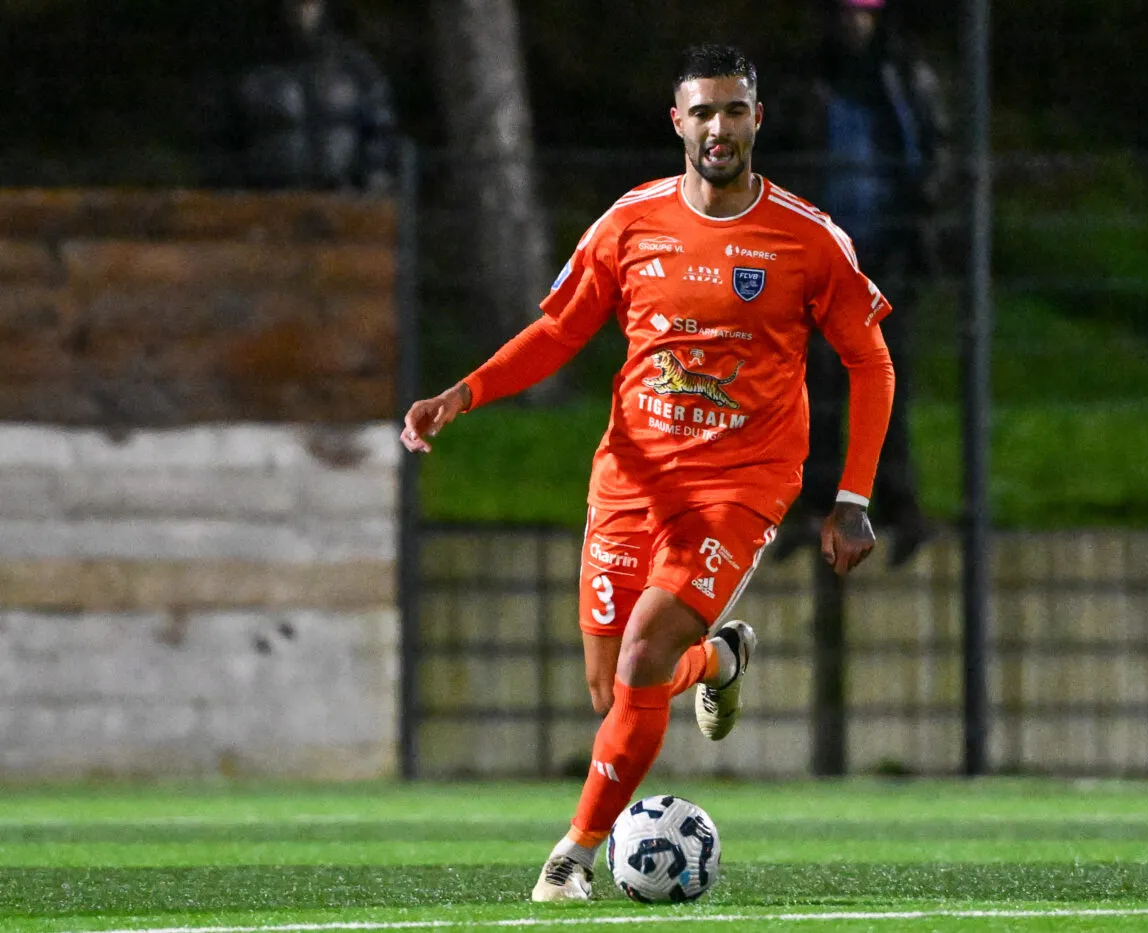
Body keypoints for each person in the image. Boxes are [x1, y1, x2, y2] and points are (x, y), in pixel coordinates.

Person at [400, 44, 896, 901]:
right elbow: (559, 330)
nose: (718, 127)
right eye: (702, 111)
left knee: (641, 652)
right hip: (629, 481)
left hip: (742, 483)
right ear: (678, 123)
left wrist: (852, 497)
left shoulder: (809, 240)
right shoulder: (630, 223)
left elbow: (872, 363)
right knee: (618, 688)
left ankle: (571, 855)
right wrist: (466, 392)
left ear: (757, 120)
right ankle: (719, 662)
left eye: (734, 110)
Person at [769, 0, 953, 568]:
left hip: (887, 250)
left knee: (885, 383)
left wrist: (921, 221)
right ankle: (818, 502)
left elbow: (935, 154)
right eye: (847, 12)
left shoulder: (902, 78)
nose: (855, 23)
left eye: (865, 13)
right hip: (826, 256)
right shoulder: (812, 81)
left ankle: (898, 502)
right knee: (819, 385)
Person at [200, 0, 397, 193]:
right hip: (267, 202)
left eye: (308, 3)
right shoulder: (244, 71)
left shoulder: (356, 69)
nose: (302, 12)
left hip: (342, 200)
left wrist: (373, 180)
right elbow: (219, 143)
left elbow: (380, 133)